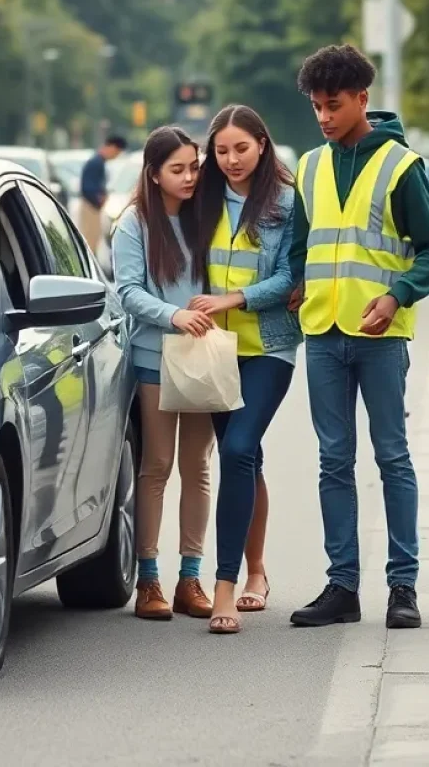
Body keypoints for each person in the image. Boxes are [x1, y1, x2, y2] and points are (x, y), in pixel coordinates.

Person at [287, 44, 429, 629]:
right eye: (316, 108)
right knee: (334, 461)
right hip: (324, 335)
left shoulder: (401, 166)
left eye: (333, 106)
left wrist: (396, 296)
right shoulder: (308, 166)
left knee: (391, 459)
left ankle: (402, 588)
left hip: (381, 337)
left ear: (362, 99)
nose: (325, 117)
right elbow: (301, 246)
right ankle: (342, 587)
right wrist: (296, 284)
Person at [186, 104, 302, 635]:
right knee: (245, 461)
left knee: (235, 450)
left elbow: (288, 277)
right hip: (213, 352)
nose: (231, 160)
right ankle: (258, 570)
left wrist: (231, 298)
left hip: (269, 349)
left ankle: (225, 584)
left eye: (241, 148)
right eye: (221, 150)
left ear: (262, 144)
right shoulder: (199, 200)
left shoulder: (285, 201)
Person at [111, 126, 216, 621]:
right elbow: (128, 292)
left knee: (197, 469)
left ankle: (190, 578)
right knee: (156, 467)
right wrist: (173, 316)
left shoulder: (206, 218)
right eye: (178, 169)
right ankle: (148, 580)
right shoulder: (134, 223)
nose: (190, 176)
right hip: (155, 358)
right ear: (153, 174)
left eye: (194, 166)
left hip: (203, 359)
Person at [79, 134, 127, 253]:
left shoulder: (98, 162)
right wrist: (100, 199)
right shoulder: (96, 163)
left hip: (93, 207)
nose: (115, 156)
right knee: (90, 242)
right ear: (111, 147)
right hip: (90, 207)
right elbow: (87, 188)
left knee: (94, 240)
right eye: (116, 153)